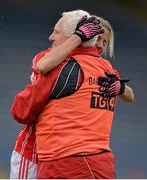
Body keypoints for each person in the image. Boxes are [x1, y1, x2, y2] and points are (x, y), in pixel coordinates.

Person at [10, 10, 134, 179]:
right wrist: (77, 38)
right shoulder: (54, 60)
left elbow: (130, 95)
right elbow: (42, 65)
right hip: (37, 150)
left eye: (105, 43)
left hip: (66, 157)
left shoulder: (105, 68)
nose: (100, 45)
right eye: (97, 38)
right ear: (86, 36)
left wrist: (121, 88)